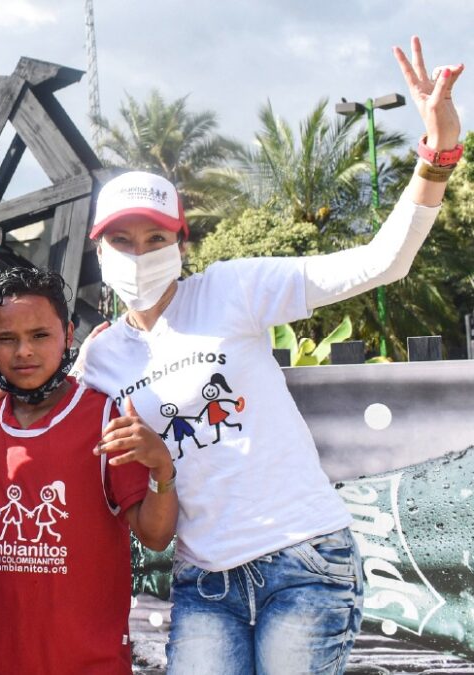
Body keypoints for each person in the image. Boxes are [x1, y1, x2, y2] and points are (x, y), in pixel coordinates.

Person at [81, 37, 464, 675]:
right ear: (99, 252)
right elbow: (38, 402)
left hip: (304, 563)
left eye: (155, 237)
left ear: (182, 242)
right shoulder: (99, 358)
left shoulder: (231, 290)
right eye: (121, 239)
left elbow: (381, 263)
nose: (139, 253)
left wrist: (437, 156)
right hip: (204, 583)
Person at [0, 267, 178, 675]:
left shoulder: (105, 416)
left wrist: (161, 469)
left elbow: (155, 536)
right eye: (6, 339)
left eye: (39, 335)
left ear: (68, 335)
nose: (23, 352)